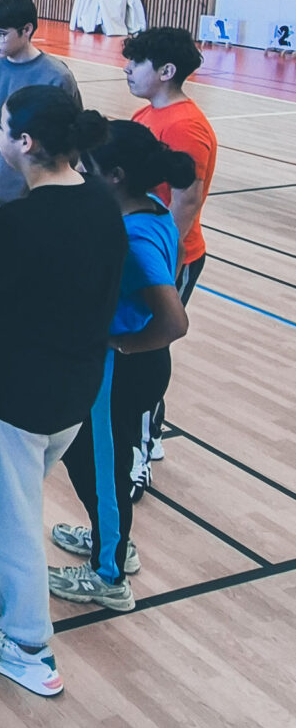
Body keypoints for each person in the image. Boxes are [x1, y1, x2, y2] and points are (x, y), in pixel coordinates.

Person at [0, 89, 126, 698]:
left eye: (1, 128)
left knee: (9, 515)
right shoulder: (102, 203)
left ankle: (27, 646)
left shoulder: (23, 219)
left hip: (16, 392)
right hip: (75, 389)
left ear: (25, 142)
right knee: (5, 505)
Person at [49, 121, 193, 608]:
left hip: (122, 369)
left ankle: (109, 573)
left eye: (85, 168)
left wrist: (124, 343)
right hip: (129, 366)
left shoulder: (134, 237)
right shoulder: (152, 210)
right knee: (83, 453)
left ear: (113, 175)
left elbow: (174, 319)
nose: (78, 172)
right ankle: (107, 534)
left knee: (103, 466)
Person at [122, 24, 217, 477]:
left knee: (145, 347)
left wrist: (164, 265)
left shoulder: (184, 126)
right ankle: (149, 433)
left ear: (166, 70)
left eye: (136, 62)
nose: (127, 69)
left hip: (167, 257)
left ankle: (136, 455)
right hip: (144, 251)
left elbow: (187, 201)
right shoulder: (147, 117)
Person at [0, 0, 79, 232]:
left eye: (0, 34)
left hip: (37, 194)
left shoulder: (56, 76)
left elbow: (70, 139)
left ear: (27, 29)